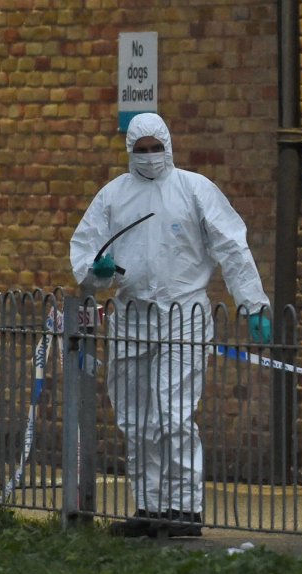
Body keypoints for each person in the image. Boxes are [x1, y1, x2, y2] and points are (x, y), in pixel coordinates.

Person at [69, 113, 272, 537]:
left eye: (154, 148)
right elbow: (85, 256)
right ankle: (150, 506)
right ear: (129, 152)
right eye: (140, 150)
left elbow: (231, 246)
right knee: (136, 418)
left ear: (168, 146)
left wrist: (253, 304)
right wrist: (99, 272)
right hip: (131, 317)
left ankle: (184, 510)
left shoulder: (193, 190)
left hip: (183, 317)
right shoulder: (113, 197)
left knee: (173, 414)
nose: (148, 157)